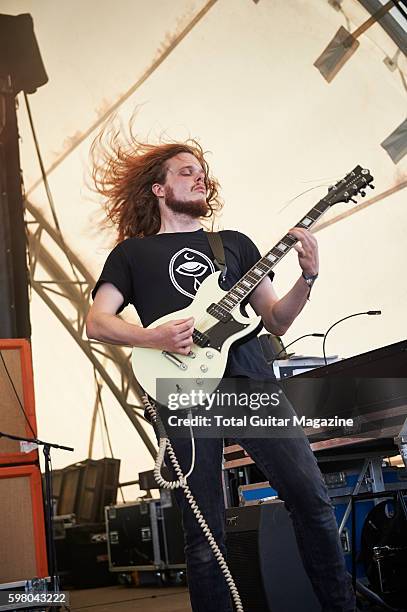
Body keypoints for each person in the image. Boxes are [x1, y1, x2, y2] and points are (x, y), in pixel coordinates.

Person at [86, 136, 356, 612]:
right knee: (205, 534)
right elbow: (97, 322)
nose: (199, 176)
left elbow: (274, 319)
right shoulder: (131, 255)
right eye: (186, 171)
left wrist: (307, 277)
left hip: (248, 380)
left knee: (312, 500)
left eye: (202, 170)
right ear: (159, 189)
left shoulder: (233, 244)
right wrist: (156, 338)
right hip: (180, 390)